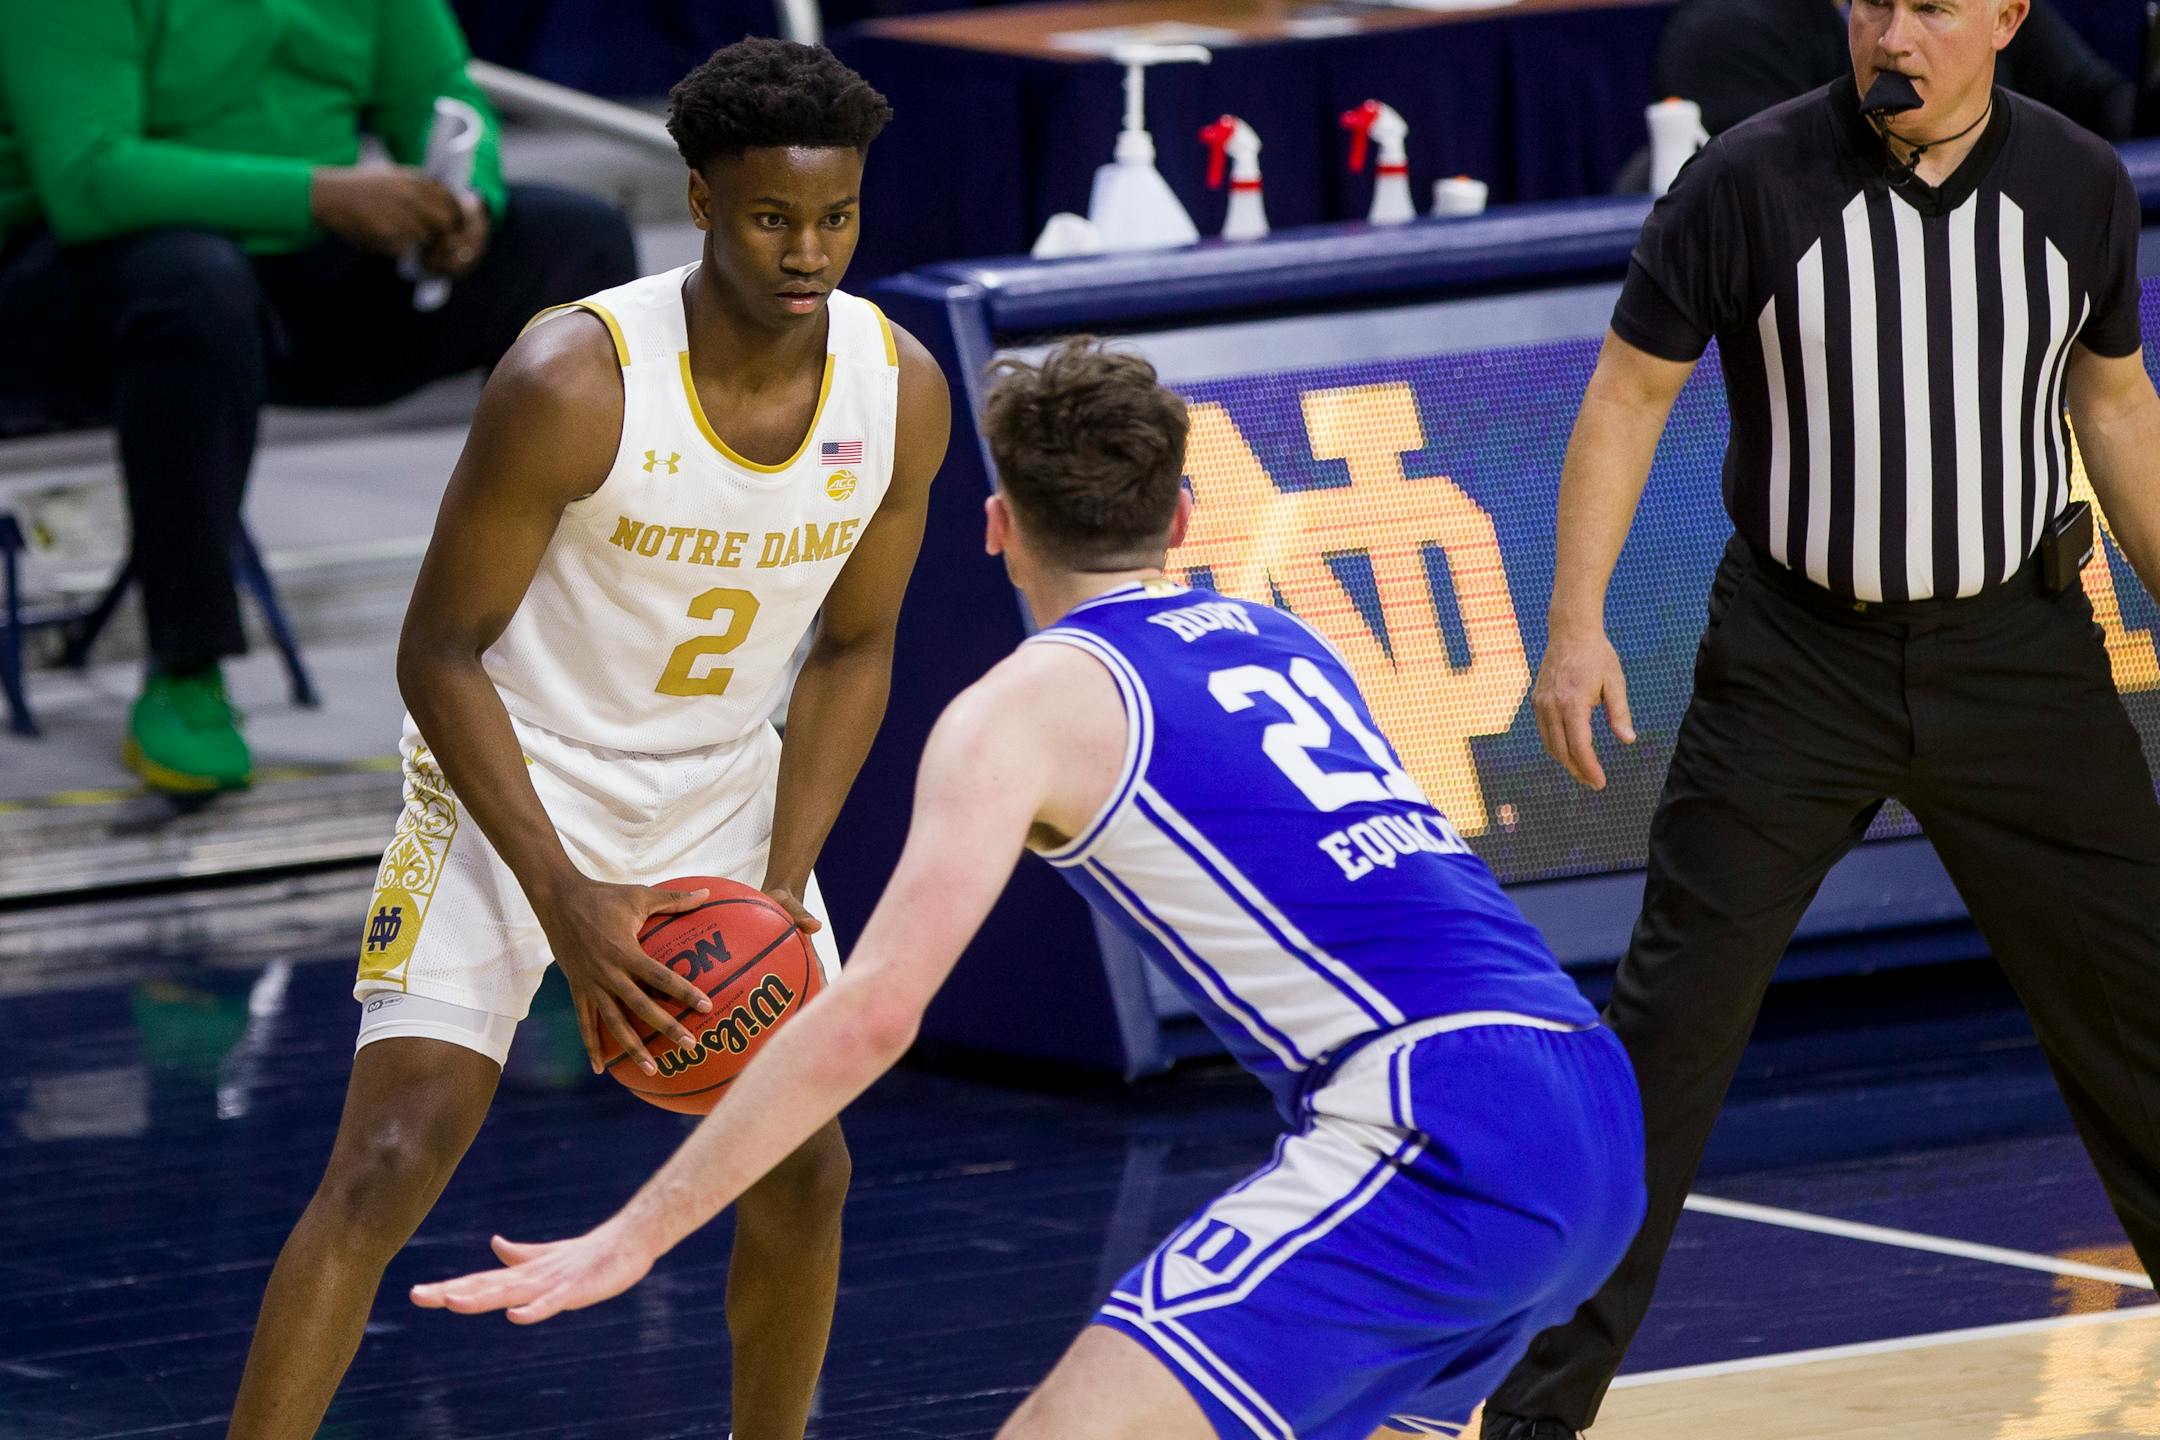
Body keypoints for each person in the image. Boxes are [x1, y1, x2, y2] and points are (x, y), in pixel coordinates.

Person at [407, 338, 1648, 1440]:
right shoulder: (1285, 639)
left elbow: (875, 1014)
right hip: (1592, 1095)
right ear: (1185, 518)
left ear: (997, 526)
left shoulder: (1023, 707)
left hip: (1437, 1122)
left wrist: (639, 1231)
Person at [224, 39, 951, 1440]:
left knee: (804, 1171)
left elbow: (857, 649)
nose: (811, 252)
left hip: (728, 789)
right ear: (695, 199)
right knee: (387, 1160)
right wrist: (563, 890)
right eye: (771, 218)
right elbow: (436, 652)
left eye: (839, 217)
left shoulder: (897, 388)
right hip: (521, 775)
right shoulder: (572, 378)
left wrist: (780, 887)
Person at [1483, 1, 2160, 1436]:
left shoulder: (2077, 184)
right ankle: (1535, 1419)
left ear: (2006, 19)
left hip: (2019, 659)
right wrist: (1575, 622)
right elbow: (1627, 391)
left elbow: (2115, 410)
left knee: (2146, 1028)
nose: (1889, 31)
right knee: (1663, 1045)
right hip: (1795, 665)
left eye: (1926, 3)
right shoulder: (1749, 178)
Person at [0, 0, 638, 794]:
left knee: (574, 239)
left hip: (295, 263)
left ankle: (559, 639)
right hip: (74, 276)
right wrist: (319, 195)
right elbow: (90, 179)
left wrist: (467, 203)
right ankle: (185, 668)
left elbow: (439, 97)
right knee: (191, 284)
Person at [1655, 0, 2135, 139]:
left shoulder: (1983, 8)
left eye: (1929, 9)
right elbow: (1782, 186)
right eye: (1878, 5)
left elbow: (2108, 108)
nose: (1895, 41)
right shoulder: (1725, 29)